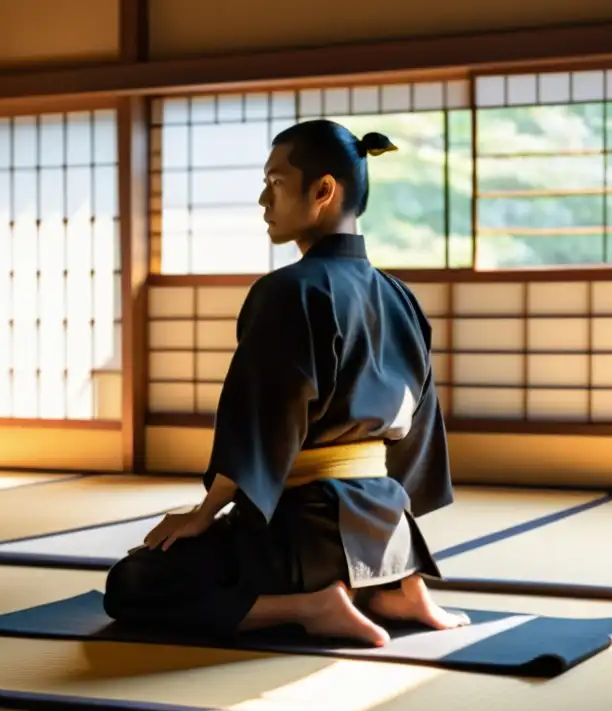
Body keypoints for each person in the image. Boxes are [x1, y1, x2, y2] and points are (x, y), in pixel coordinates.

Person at [103, 119, 468, 647]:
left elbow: (266, 420)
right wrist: (398, 530)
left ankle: (310, 605)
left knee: (132, 583)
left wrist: (207, 513)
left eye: (275, 182)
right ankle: (396, 585)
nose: (262, 199)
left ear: (323, 191)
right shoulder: (400, 295)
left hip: (307, 528)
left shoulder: (289, 291)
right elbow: (419, 430)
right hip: (387, 526)